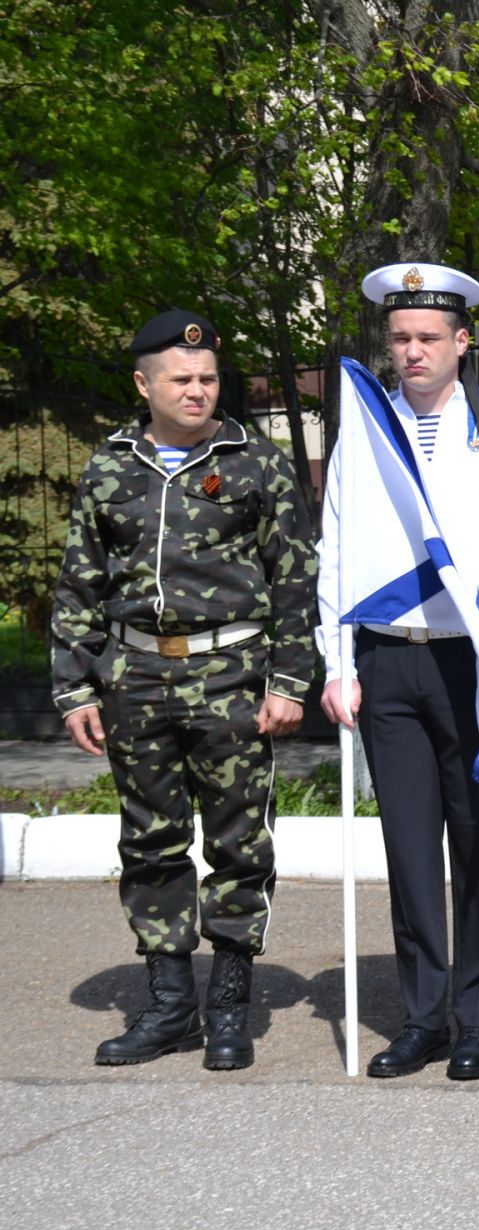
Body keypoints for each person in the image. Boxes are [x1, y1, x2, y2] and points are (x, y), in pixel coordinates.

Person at [53, 310, 316, 1071]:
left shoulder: (255, 464)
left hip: (231, 677)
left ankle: (230, 1006)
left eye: (207, 379)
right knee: (151, 842)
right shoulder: (110, 466)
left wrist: (291, 681)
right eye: (182, 380)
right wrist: (75, 689)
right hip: (135, 681)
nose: (199, 391)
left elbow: (295, 579)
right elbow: (80, 584)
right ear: (145, 385)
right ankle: (170, 1006)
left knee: (239, 844)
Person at [318, 264, 479, 1081]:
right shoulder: (367, 431)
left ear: (461, 342)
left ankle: (478, 1019)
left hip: (474, 661)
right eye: (399, 339)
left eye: (428, 338)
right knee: (410, 847)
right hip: (388, 661)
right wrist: (337, 662)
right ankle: (423, 1015)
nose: (412, 352)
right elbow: (338, 552)